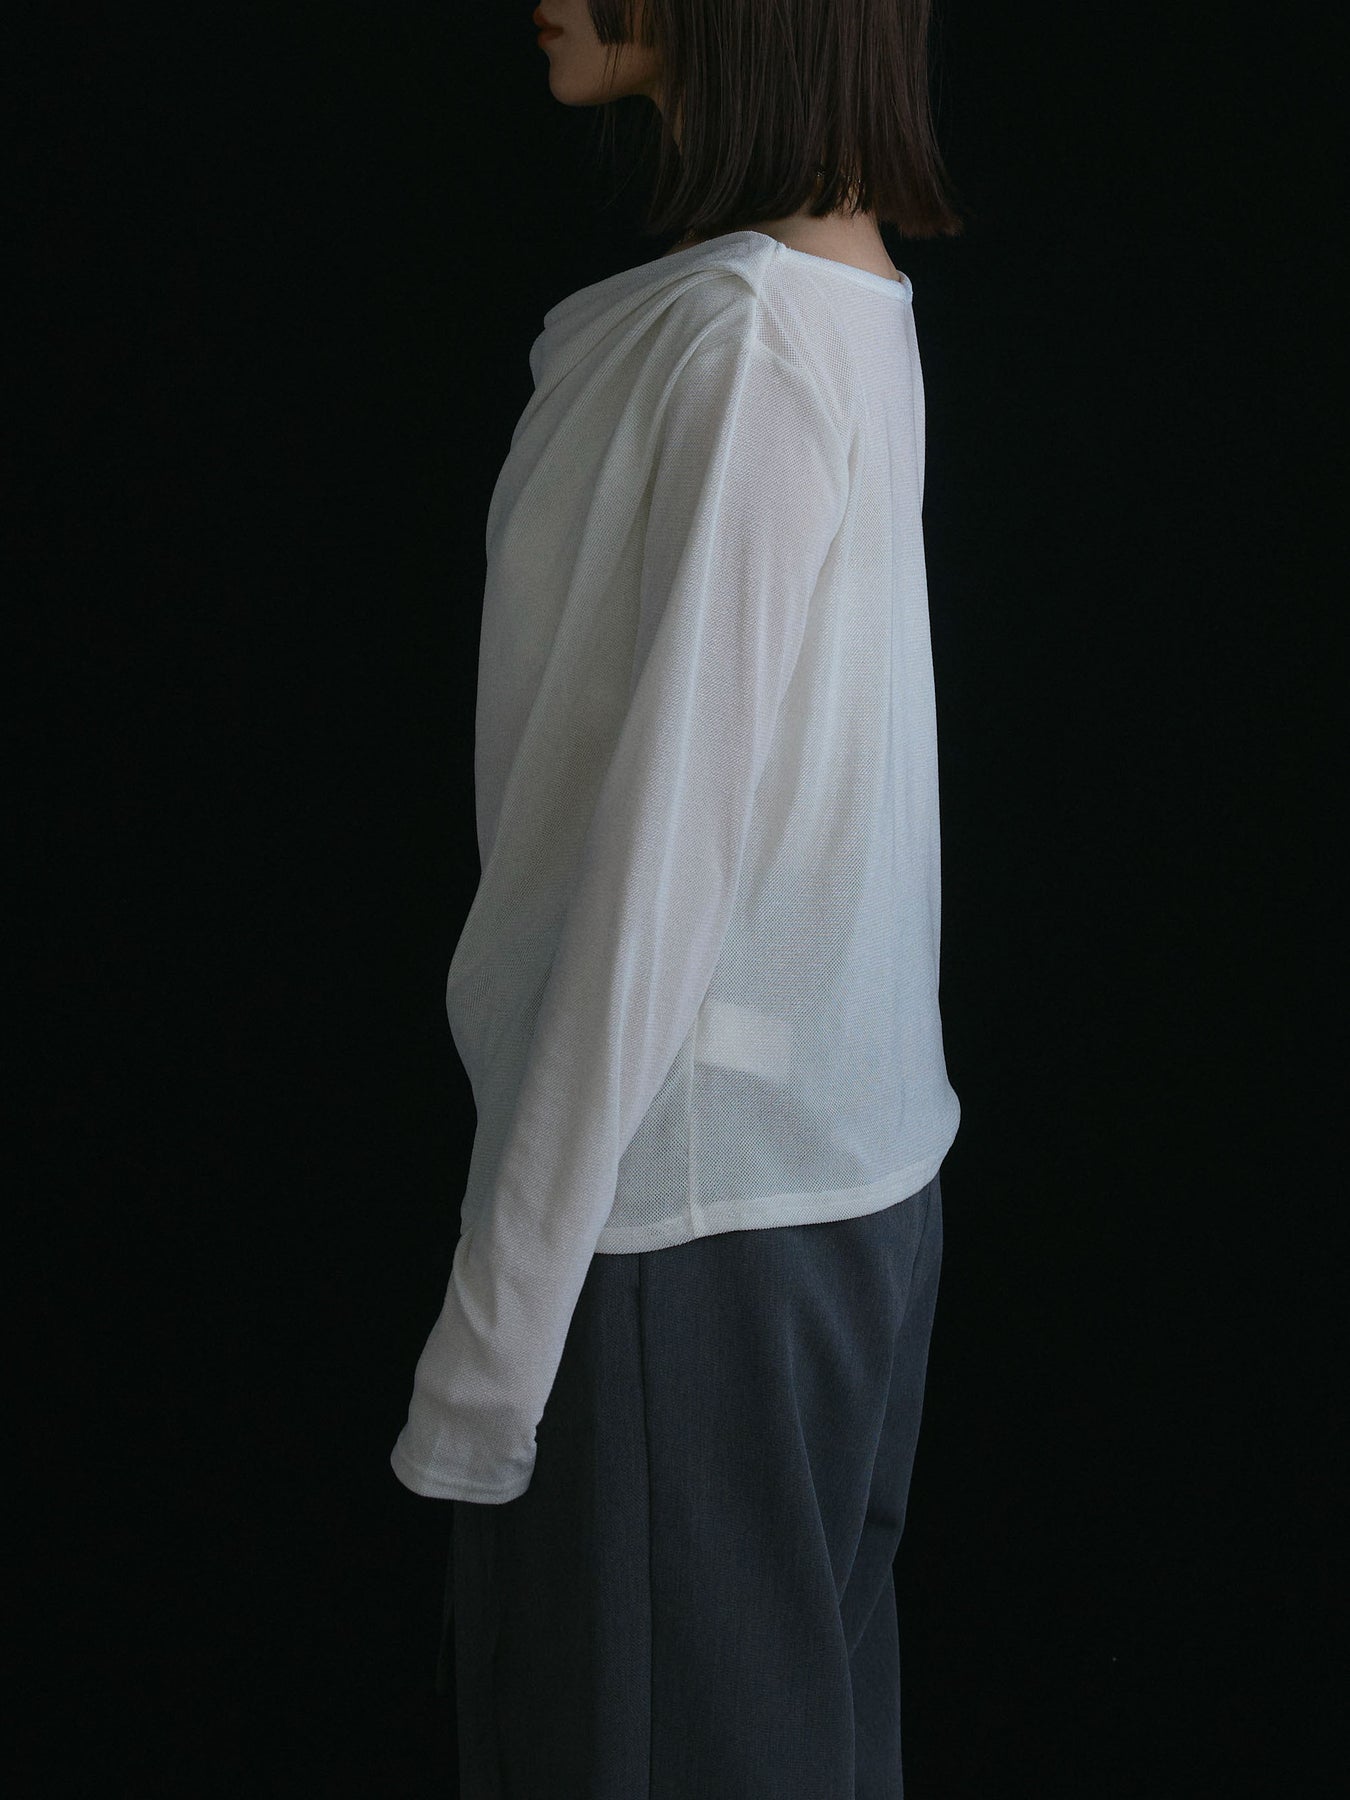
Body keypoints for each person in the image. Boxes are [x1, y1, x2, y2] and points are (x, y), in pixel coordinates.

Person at [390, 3, 966, 1794]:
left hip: (682, 1230)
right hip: (839, 1188)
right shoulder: (839, 298)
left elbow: (660, 858)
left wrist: (493, 1344)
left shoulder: (742, 338)